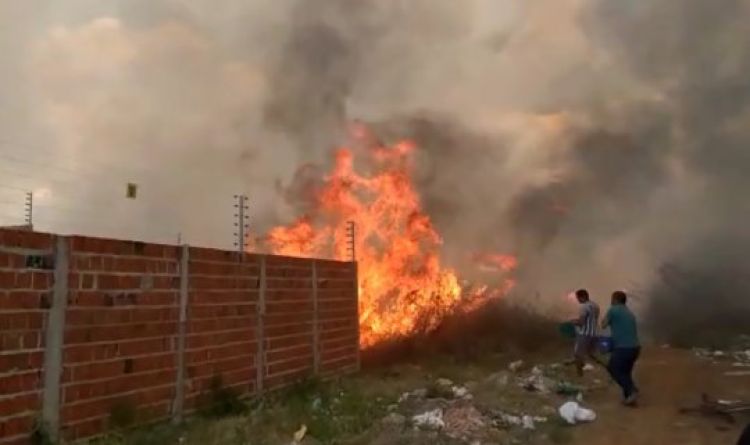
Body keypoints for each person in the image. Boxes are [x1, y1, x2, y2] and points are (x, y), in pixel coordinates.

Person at [601, 290, 641, 406]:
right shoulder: (629, 312)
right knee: (626, 372)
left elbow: (603, 325)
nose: (611, 301)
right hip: (635, 348)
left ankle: (632, 390)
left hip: (623, 348)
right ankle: (629, 398)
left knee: (613, 368)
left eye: (612, 299)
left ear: (615, 300)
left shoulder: (613, 310)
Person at [568, 289, 600, 377]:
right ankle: (605, 366)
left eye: (578, 298)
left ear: (583, 297)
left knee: (578, 354)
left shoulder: (584, 307)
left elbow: (581, 322)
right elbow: (593, 319)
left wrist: (573, 322)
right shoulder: (595, 305)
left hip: (584, 333)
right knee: (591, 354)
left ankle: (579, 374)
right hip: (594, 333)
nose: (578, 300)